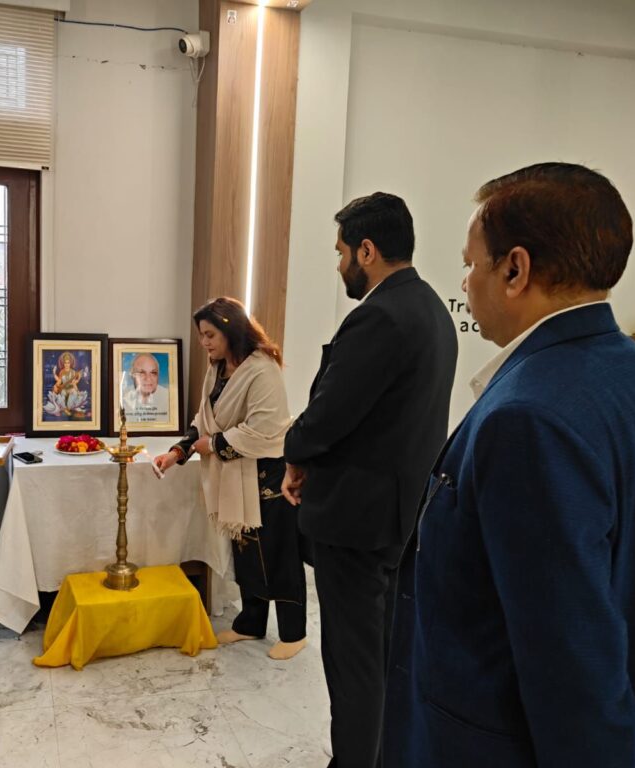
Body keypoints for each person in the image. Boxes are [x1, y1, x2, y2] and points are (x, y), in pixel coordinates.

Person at [384, 163, 635, 767]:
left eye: (471, 263)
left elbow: (572, 665)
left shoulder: (527, 418)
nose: (466, 281)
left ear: (514, 270)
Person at [281, 193, 458, 768]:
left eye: (341, 253)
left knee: (353, 663)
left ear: (367, 250)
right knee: (381, 655)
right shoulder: (432, 310)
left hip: (357, 521)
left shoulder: (379, 315)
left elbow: (331, 413)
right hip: (400, 515)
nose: (340, 267)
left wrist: (294, 452)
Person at [154, 297, 307, 660]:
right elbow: (204, 419)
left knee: (278, 553)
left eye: (210, 335)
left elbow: (263, 429)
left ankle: (294, 632)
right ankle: (251, 623)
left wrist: (212, 445)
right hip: (235, 474)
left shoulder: (262, 369)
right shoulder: (218, 368)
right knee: (246, 552)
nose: (204, 342)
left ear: (230, 329)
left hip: (269, 473)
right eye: (201, 335)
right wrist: (178, 452)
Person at [122, 352, 170, 421]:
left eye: (153, 373)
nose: (148, 378)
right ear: (132, 375)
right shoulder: (122, 399)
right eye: (142, 372)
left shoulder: (169, 398)